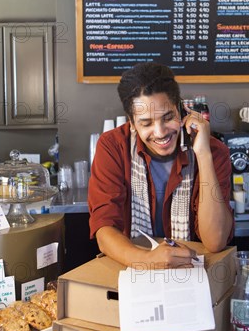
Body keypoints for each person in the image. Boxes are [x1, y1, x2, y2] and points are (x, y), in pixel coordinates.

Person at [88, 62, 233, 268]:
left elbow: (216, 240)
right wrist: (147, 260)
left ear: (181, 109)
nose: (160, 132)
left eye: (168, 117)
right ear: (132, 122)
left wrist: (203, 155)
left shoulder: (213, 150)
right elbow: (105, 230)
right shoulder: (113, 146)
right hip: (134, 268)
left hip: (193, 274)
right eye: (146, 123)